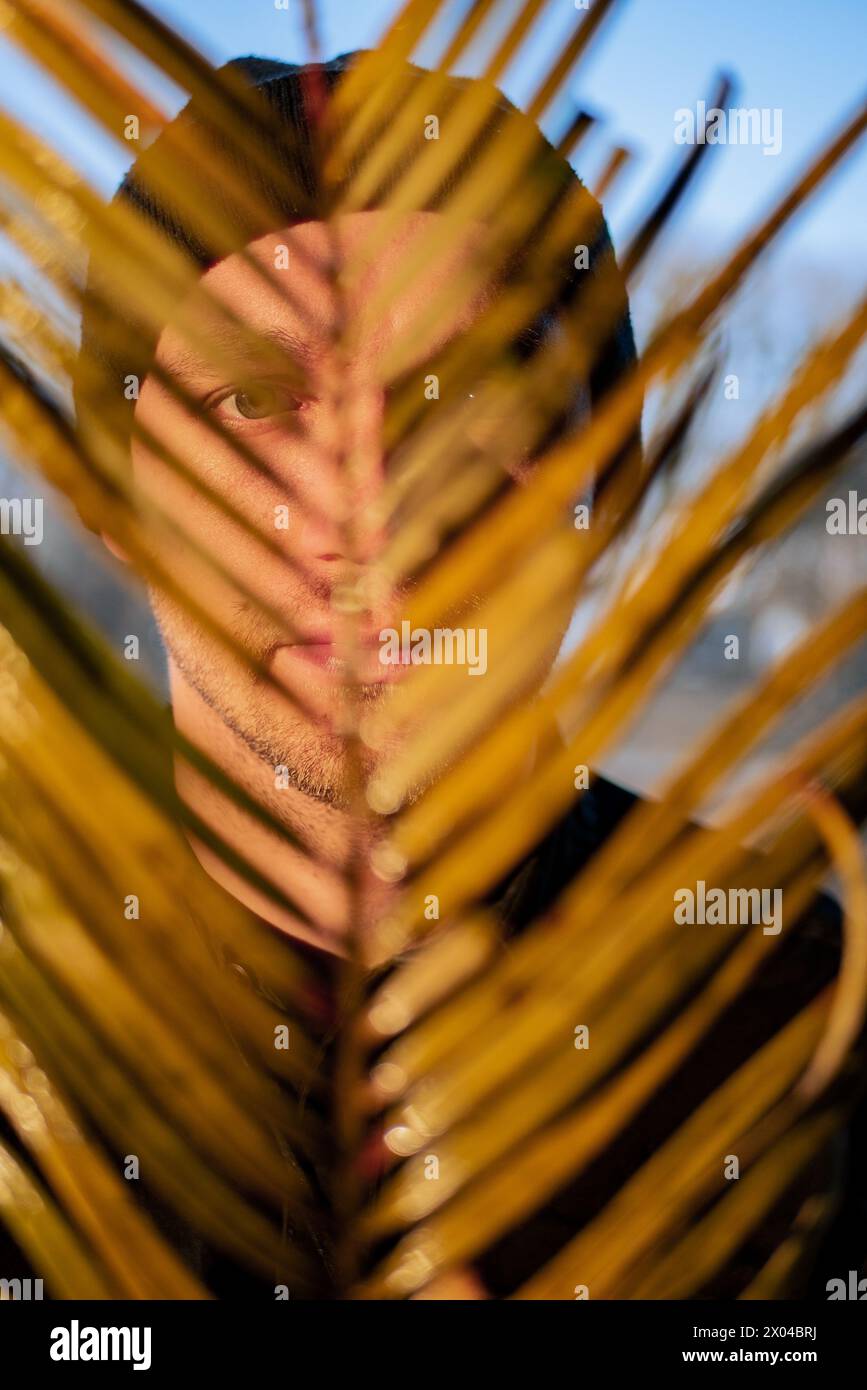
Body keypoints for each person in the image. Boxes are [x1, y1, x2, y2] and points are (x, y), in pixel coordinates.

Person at [67, 50, 861, 1299]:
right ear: (111, 488)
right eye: (263, 399)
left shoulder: (795, 1026)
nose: (375, 509)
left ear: (608, 483)